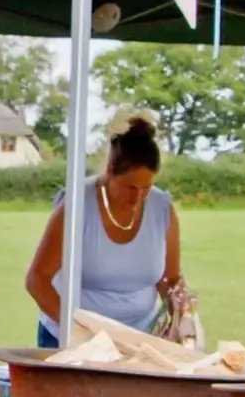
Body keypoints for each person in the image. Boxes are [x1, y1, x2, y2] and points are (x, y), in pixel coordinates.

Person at [24, 116, 182, 349]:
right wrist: (79, 330)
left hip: (138, 339)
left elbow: (170, 280)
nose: (137, 198)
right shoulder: (76, 205)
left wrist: (181, 314)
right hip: (73, 337)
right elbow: (37, 280)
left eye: (146, 187)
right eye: (130, 187)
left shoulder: (162, 209)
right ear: (109, 172)